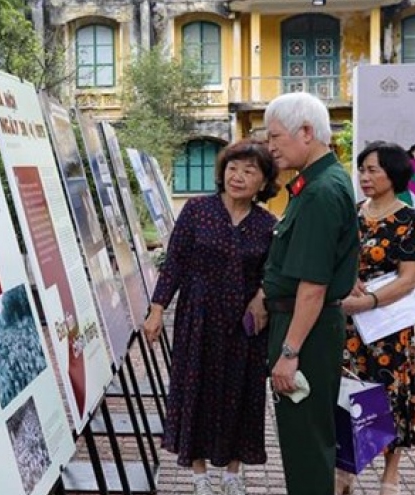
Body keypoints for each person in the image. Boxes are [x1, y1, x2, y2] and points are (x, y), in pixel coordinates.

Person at [142, 139, 279, 495]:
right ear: (222, 172)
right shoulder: (197, 211)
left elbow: (274, 273)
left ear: (263, 183)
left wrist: (263, 297)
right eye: (233, 168)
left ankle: (233, 474)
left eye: (250, 171)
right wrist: (157, 309)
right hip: (198, 318)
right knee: (196, 391)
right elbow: (174, 264)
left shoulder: (268, 224)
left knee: (242, 393)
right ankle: (199, 476)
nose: (238, 176)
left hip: (244, 324)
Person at [259, 92, 359, 495]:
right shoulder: (316, 182)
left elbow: (313, 288)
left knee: (306, 441)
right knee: (306, 436)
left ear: (306, 132)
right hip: (305, 326)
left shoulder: (319, 192)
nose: (270, 146)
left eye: (276, 136)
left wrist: (289, 351)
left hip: (305, 331)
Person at [335, 141, 415, 495]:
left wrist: (369, 300)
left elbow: (408, 279)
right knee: (351, 391)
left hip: (387, 325)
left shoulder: (409, 220)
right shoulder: (353, 213)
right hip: (348, 323)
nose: (365, 177)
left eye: (374, 170)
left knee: (390, 392)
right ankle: (348, 467)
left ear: (394, 174)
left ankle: (391, 472)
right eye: (362, 169)